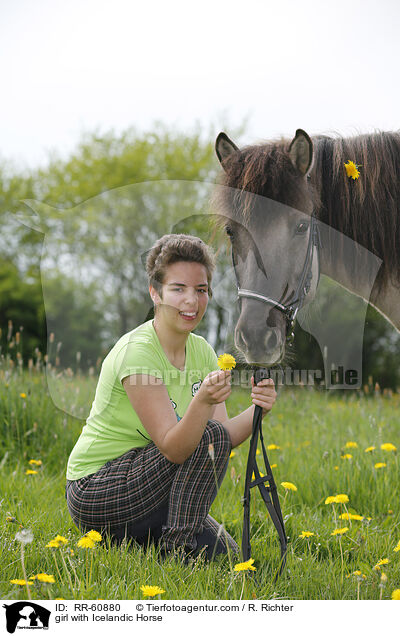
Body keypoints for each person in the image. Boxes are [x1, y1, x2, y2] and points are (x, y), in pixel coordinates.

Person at [65, 233, 277, 562]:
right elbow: (174, 447)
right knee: (205, 438)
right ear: (155, 292)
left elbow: (221, 438)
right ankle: (178, 549)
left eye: (201, 290)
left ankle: (166, 536)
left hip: (150, 484)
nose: (191, 301)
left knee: (227, 556)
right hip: (96, 488)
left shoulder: (203, 351)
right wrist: (201, 402)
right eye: (178, 289)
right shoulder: (138, 353)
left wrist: (257, 411)